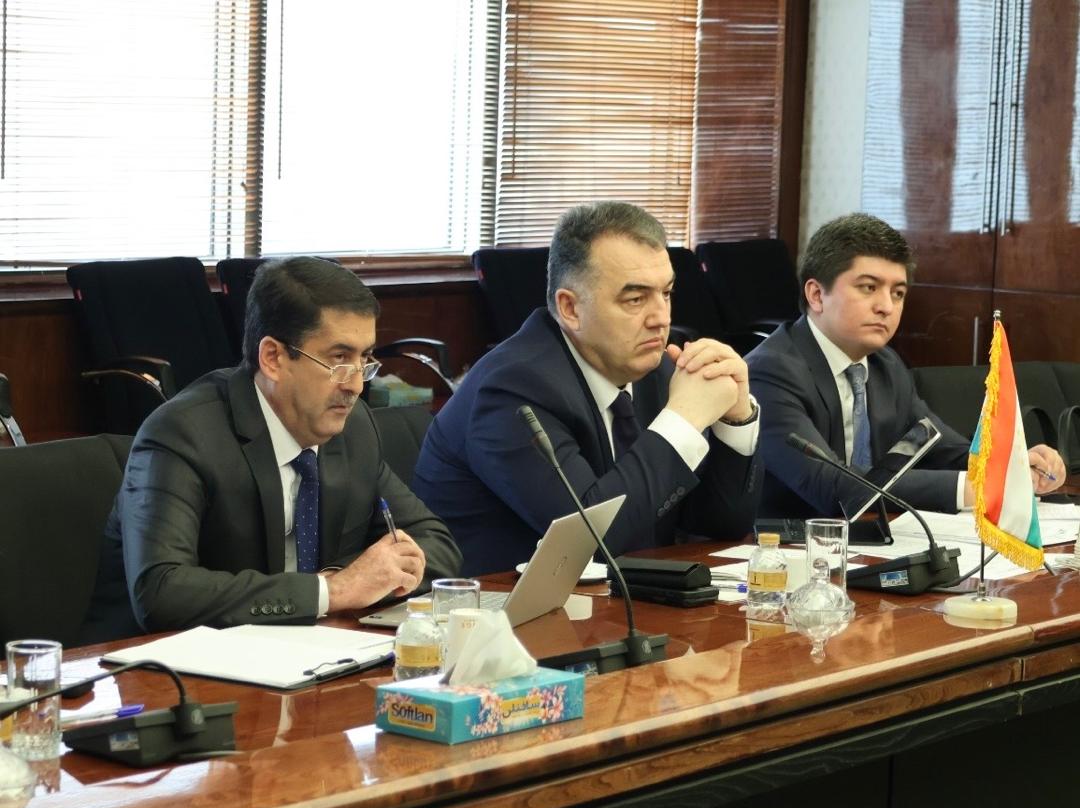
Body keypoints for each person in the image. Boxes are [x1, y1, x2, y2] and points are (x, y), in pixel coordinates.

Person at [81, 256, 461, 642]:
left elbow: (437, 544)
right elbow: (161, 592)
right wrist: (333, 591)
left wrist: (350, 579)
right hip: (155, 663)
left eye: (364, 360)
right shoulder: (184, 434)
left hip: (304, 651)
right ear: (273, 358)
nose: (356, 385)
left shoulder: (353, 427)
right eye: (339, 359)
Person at [413, 200, 761, 576]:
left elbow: (717, 528)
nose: (661, 318)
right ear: (570, 308)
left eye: (666, 293)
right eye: (635, 299)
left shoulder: (657, 372)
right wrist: (684, 420)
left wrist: (735, 420)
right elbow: (592, 542)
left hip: (619, 601)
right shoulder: (512, 389)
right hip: (493, 605)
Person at [746, 212, 1065, 519]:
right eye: (868, 287)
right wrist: (967, 488)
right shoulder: (769, 372)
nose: (886, 307)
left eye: (898, 293)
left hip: (870, 537)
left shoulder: (885, 365)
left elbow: (937, 448)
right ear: (817, 295)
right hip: (779, 547)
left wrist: (1011, 466)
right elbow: (832, 486)